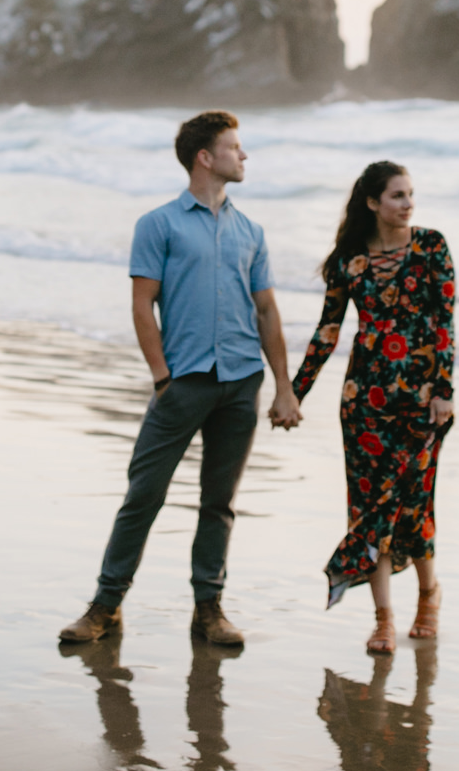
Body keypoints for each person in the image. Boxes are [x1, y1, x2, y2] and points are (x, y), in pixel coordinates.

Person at [57, 110, 302, 649]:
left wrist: (284, 386)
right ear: (204, 157)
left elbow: (267, 312)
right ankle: (105, 605)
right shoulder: (158, 224)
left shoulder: (251, 231)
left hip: (242, 380)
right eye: (235, 148)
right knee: (144, 494)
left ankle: (208, 609)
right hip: (183, 380)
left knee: (219, 501)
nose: (244, 156)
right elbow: (142, 305)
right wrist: (162, 377)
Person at [290, 160, 454, 655]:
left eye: (410, 195)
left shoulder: (431, 247)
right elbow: (328, 330)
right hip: (363, 402)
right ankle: (383, 619)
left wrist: (444, 390)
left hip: (422, 402)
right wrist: (294, 392)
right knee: (367, 511)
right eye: (397, 196)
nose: (408, 205)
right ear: (372, 203)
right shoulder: (348, 260)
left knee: (412, 504)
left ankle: (429, 595)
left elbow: (444, 322)